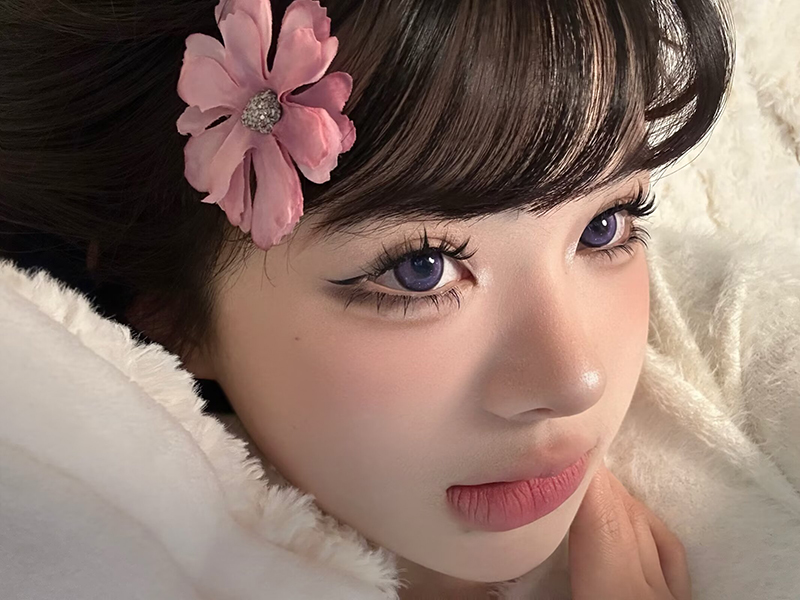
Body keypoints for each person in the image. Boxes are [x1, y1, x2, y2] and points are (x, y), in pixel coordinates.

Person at [1, 0, 799, 599]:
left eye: (605, 226)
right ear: (169, 308)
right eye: (421, 268)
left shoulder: (731, 334)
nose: (575, 380)